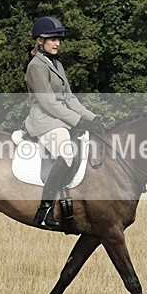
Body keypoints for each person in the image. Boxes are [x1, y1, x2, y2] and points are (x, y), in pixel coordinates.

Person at [25, 16, 103, 230]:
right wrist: (78, 121)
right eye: (52, 39)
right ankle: (44, 210)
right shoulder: (36, 66)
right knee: (67, 153)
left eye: (59, 39)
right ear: (40, 41)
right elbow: (49, 103)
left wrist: (91, 117)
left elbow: (69, 98)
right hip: (44, 120)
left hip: (60, 119)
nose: (57, 43)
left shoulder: (56, 63)